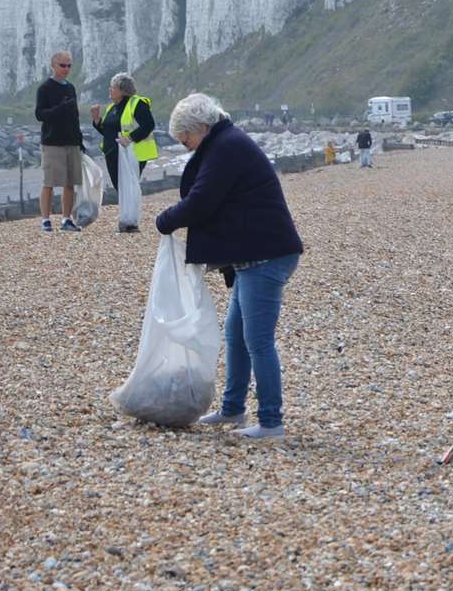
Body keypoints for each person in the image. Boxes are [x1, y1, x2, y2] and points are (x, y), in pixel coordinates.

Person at [156, 93, 305, 441]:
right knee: (235, 335)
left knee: (258, 341)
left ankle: (271, 422)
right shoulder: (225, 143)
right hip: (252, 256)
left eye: (186, 138)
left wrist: (165, 221)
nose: (185, 146)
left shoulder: (227, 148)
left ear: (202, 128)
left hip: (266, 257)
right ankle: (233, 408)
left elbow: (202, 201)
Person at [90, 73, 157, 231]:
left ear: (122, 90)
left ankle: (130, 223)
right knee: (120, 186)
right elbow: (107, 131)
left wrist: (131, 138)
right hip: (112, 153)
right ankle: (126, 219)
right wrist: (97, 120)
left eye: (112, 87)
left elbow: (148, 124)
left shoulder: (137, 103)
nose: (110, 90)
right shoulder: (112, 107)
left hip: (131, 154)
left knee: (130, 186)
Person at [34, 50, 83, 232]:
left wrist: (79, 139)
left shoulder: (70, 88)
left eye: (69, 65)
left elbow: (75, 115)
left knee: (69, 182)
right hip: (52, 142)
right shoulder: (44, 88)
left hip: (71, 141)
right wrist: (59, 109)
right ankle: (45, 220)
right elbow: (39, 114)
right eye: (63, 65)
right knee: (49, 182)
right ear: (53, 66)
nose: (66, 69)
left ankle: (66, 219)